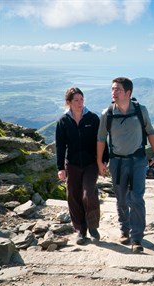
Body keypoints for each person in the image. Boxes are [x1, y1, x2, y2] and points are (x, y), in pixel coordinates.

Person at [96, 77, 154, 254]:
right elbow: (101, 139)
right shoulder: (107, 113)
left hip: (138, 160)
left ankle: (137, 237)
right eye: (112, 89)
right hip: (117, 161)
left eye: (117, 89)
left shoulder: (140, 110)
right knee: (121, 197)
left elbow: (150, 133)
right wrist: (99, 161)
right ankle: (124, 229)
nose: (113, 93)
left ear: (128, 93)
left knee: (137, 198)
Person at [55, 87, 103, 245]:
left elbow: (101, 141)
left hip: (91, 164)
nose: (80, 103)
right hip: (72, 165)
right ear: (68, 102)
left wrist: (103, 161)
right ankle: (80, 230)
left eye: (82, 99)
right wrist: (60, 168)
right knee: (73, 197)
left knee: (88, 193)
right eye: (76, 100)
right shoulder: (63, 121)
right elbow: (60, 146)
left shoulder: (93, 118)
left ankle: (93, 226)